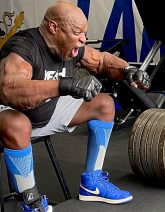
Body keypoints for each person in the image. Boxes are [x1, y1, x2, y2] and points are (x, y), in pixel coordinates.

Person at [0, 1, 150, 211]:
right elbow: (11, 90)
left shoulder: (70, 48)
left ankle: (92, 182)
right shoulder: (24, 47)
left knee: (104, 104)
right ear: (54, 27)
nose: (83, 39)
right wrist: (65, 85)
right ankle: (30, 200)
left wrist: (127, 70)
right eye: (77, 32)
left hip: (45, 111)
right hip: (10, 117)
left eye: (84, 33)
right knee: (17, 123)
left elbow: (102, 62)